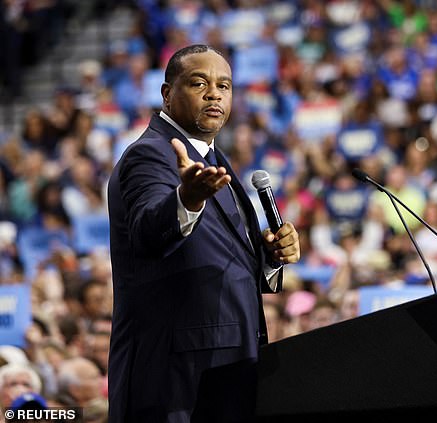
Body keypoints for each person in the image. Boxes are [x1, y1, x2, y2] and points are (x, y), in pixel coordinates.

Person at [107, 44, 301, 422]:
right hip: (177, 382)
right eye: (199, 83)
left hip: (222, 372)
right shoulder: (149, 154)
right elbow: (148, 232)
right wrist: (187, 200)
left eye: (224, 86)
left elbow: (221, 260)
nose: (215, 93)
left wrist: (271, 257)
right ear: (167, 93)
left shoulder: (212, 158)